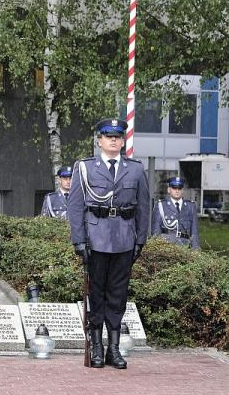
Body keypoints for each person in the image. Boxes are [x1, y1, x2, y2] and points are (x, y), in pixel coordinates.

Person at [67, 118, 150, 370]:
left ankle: (114, 349)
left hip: (124, 239)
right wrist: (79, 240)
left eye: (117, 137)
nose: (113, 140)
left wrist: (140, 241)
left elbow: (144, 207)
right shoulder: (85, 168)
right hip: (95, 239)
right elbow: (75, 207)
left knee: (118, 296)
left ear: (123, 141)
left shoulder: (135, 169)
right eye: (108, 136)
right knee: (96, 295)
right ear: (99, 140)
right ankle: (96, 348)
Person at [151, 177, 199, 249]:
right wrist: (157, 249)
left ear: (182, 190)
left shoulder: (190, 207)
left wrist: (195, 251)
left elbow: (194, 232)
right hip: (166, 246)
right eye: (174, 188)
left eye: (179, 188)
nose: (177, 191)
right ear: (169, 190)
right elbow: (156, 231)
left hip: (184, 246)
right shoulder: (161, 206)